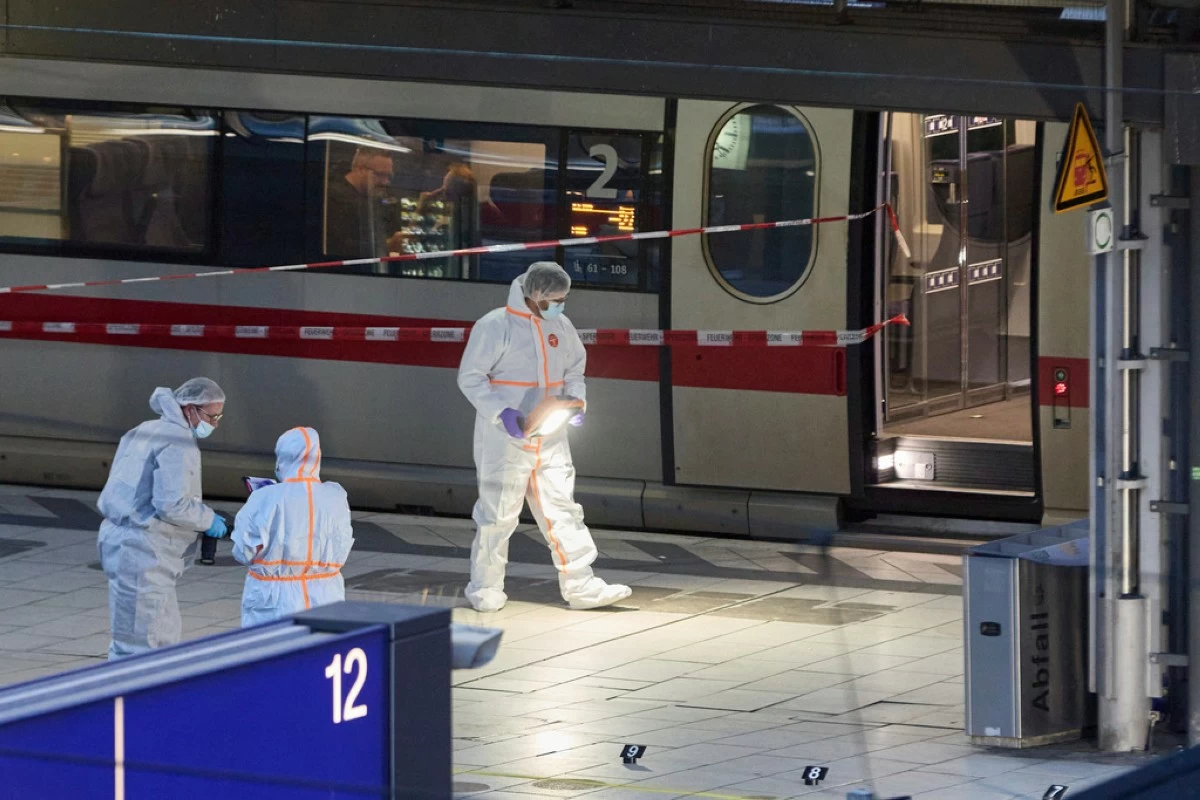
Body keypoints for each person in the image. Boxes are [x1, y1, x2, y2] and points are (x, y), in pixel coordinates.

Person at [458, 261, 632, 612]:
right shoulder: (495, 326)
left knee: (563, 509)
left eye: (564, 298)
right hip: (505, 437)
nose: (560, 305)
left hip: (550, 434)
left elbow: (574, 369)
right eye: (554, 299)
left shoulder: (562, 326)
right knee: (498, 512)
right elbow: (470, 378)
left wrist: (577, 401)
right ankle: (485, 587)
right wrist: (501, 413)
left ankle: (581, 584)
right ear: (533, 294)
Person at [97, 378, 228, 660]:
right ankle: (129, 701)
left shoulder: (144, 429)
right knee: (141, 644)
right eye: (212, 416)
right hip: (143, 550)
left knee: (158, 636)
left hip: (126, 542)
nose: (215, 424)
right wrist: (209, 520)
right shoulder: (178, 441)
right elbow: (172, 504)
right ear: (190, 409)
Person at [231, 427, 355, 627]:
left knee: (272, 653)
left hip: (274, 599)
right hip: (326, 594)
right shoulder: (336, 496)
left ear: (282, 459)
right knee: (321, 651)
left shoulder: (264, 498)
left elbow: (243, 551)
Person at [323, 147, 406, 260]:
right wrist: (386, 246)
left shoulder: (371, 199)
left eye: (389, 176)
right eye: (380, 174)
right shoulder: (333, 199)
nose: (386, 182)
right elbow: (343, 249)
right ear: (360, 169)